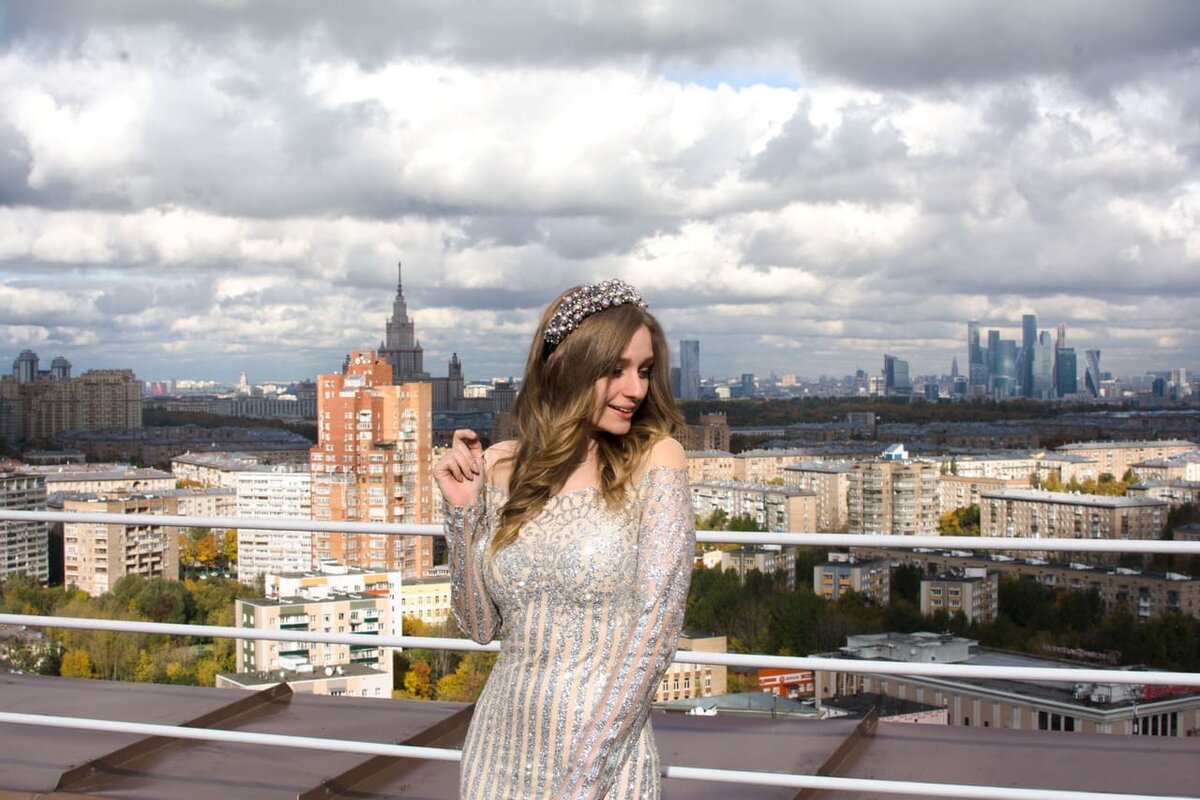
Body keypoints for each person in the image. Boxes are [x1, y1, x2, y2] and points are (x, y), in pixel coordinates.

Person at [435, 278, 695, 800]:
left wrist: (582, 783)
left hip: (604, 766)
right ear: (567, 367)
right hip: (496, 754)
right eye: (615, 369)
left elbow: (655, 641)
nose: (636, 389)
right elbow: (480, 627)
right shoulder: (502, 465)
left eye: (644, 371)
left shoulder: (657, 461)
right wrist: (462, 517)